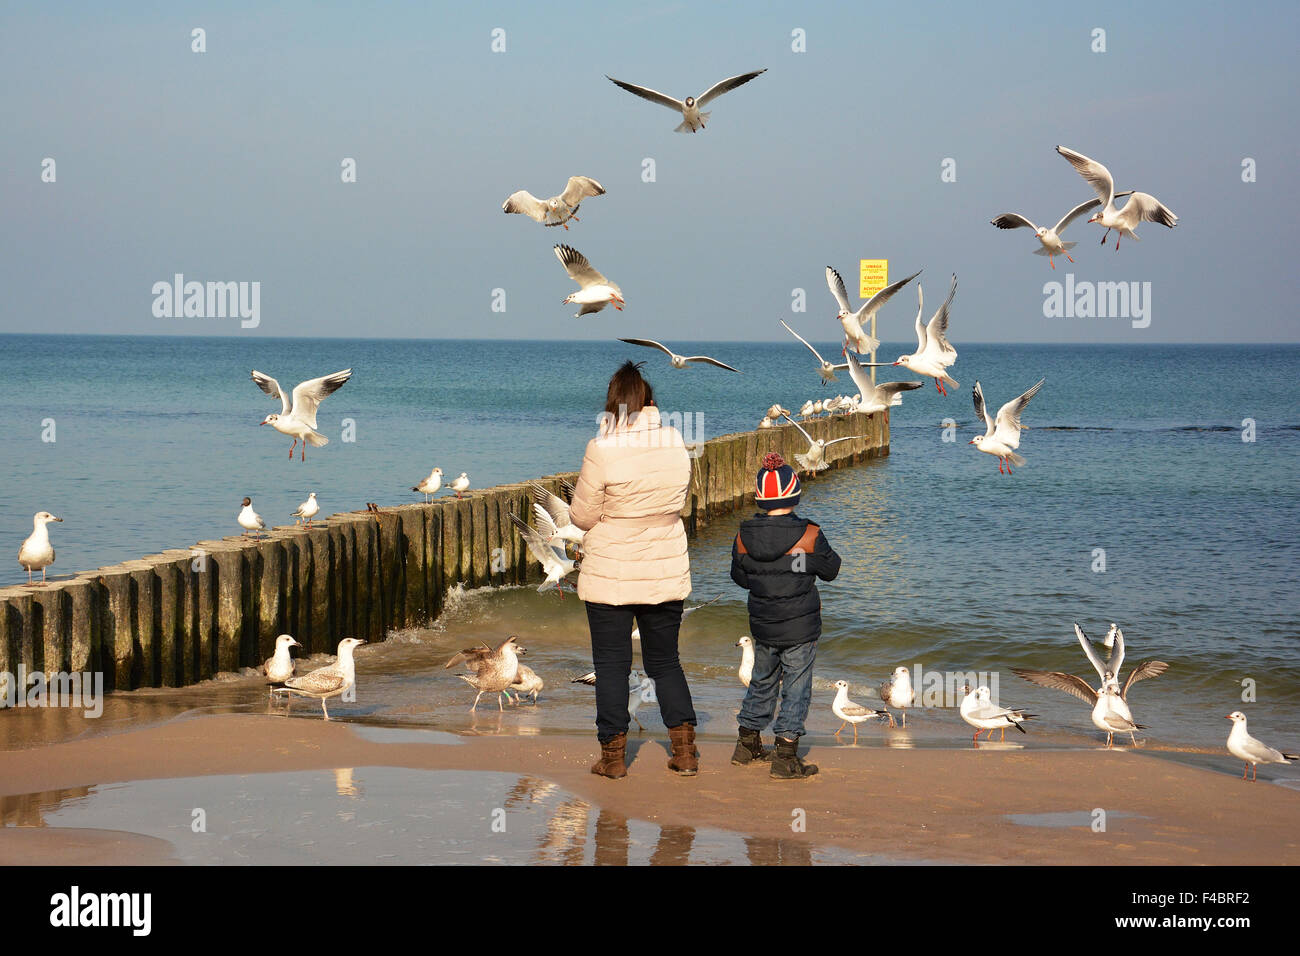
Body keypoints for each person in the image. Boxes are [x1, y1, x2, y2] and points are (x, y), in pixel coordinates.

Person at [569, 361, 697, 779]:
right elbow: (679, 498)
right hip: (665, 566)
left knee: (611, 666)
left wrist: (614, 513)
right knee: (666, 663)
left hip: (612, 572)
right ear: (650, 402)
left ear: (612, 405)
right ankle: (685, 752)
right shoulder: (676, 439)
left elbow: (583, 516)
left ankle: (613, 760)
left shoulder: (600, 448)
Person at [729, 452, 842, 779]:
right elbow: (832, 570)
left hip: (763, 623)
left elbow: (740, 577)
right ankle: (786, 757)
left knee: (762, 681)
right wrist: (802, 567)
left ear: (760, 499)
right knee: (796, 687)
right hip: (800, 627)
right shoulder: (809, 534)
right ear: (794, 494)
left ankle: (746, 744)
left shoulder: (743, 535)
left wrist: (766, 580)